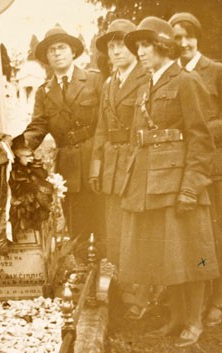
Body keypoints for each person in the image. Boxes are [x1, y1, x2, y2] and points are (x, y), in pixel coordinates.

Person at [121, 17, 219, 346]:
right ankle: (177, 317)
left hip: (179, 183)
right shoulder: (148, 85)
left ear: (163, 46)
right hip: (151, 183)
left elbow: (200, 139)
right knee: (168, 254)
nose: (140, 51)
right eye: (138, 47)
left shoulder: (187, 82)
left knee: (192, 254)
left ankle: (194, 321)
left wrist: (191, 187)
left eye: (146, 45)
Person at [15, 26, 104, 248]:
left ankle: (108, 279)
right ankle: (83, 277)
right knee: (77, 230)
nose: (57, 53)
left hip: (96, 161)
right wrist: (14, 148)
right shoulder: (44, 92)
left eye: (62, 47)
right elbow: (37, 127)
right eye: (51, 50)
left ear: (73, 51)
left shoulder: (94, 80)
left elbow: (106, 120)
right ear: (46, 57)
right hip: (69, 168)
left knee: (105, 226)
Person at [90, 19, 151, 319]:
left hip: (135, 161)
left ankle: (138, 297)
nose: (115, 51)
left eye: (120, 45)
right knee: (114, 231)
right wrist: (96, 167)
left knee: (136, 231)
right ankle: (120, 288)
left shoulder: (145, 79)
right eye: (110, 46)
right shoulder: (109, 83)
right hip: (112, 165)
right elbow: (101, 128)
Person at [169, 12, 222, 329]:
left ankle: (218, 300)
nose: (184, 42)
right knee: (195, 239)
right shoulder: (171, 76)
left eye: (189, 35)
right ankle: (193, 304)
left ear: (197, 38)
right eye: (177, 37)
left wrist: (198, 130)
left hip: (214, 167)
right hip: (183, 170)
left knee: (218, 234)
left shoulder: (215, 71)